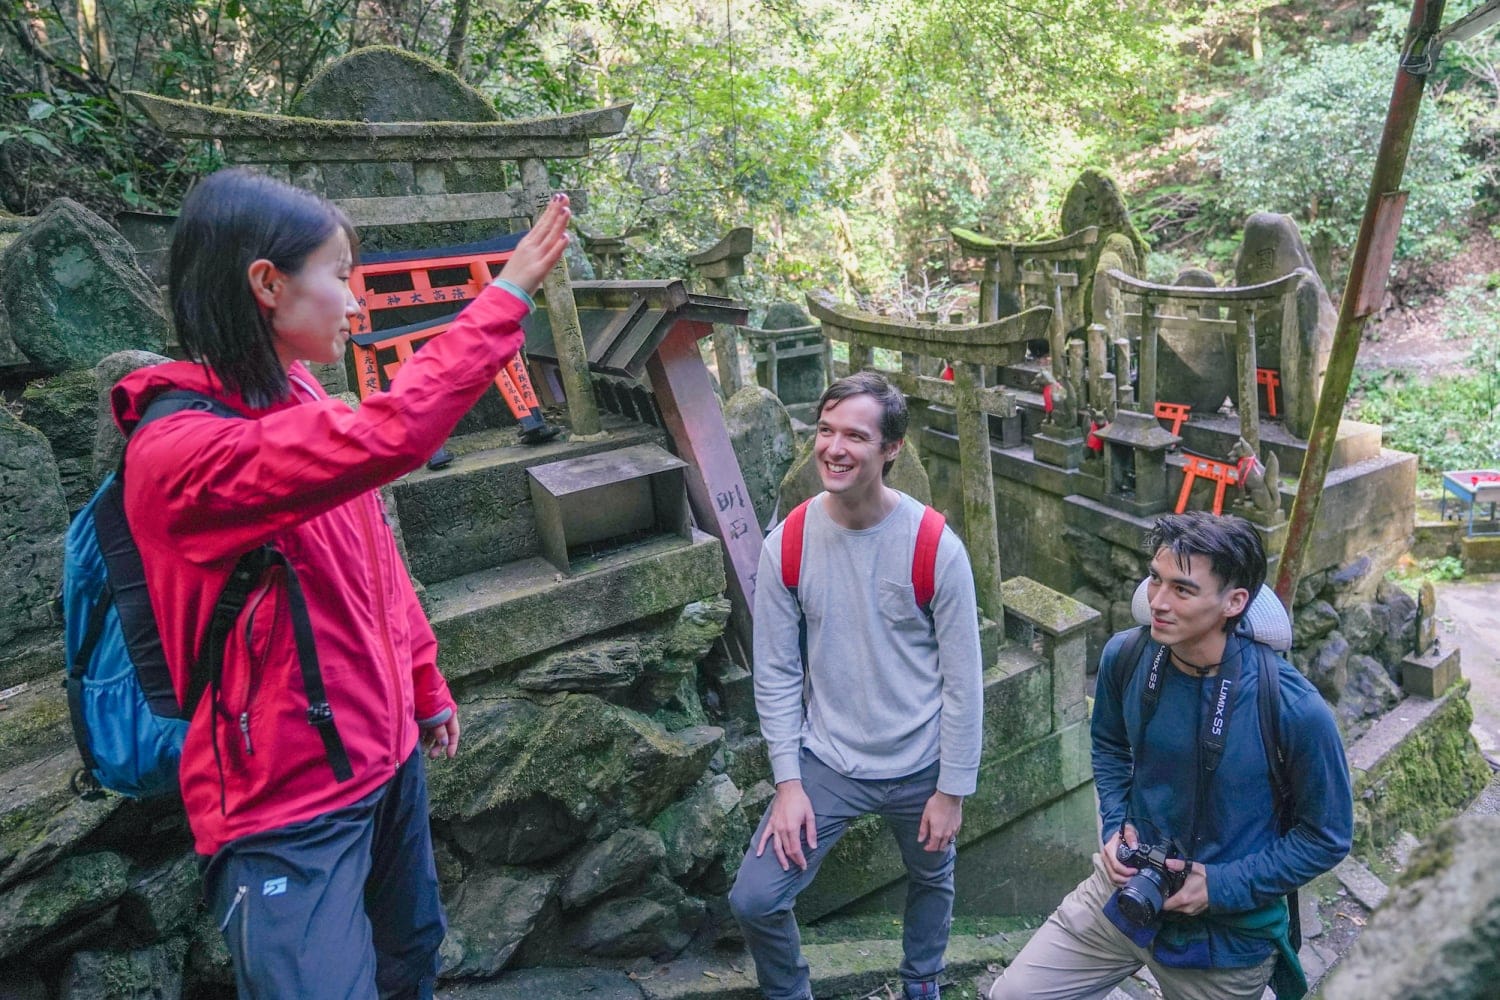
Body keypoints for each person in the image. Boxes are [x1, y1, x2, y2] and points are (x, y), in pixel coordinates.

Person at [110, 167, 571, 999]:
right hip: (285, 806)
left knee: (410, 961)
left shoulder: (291, 388)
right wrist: (502, 299)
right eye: (340, 275)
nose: (356, 304)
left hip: (383, 753)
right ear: (267, 283)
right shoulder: (179, 456)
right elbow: (392, 431)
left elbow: (370, 563)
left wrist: (423, 680)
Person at [989, 511, 1353, 1000]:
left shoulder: (1292, 708)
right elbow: (1111, 746)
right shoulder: (1128, 656)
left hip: (1225, 936)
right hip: (1124, 894)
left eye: (1182, 590)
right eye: (1155, 580)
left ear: (1234, 601)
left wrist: (1219, 886)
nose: (1157, 602)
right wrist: (1115, 825)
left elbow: (1326, 836)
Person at [728, 371, 984, 1000]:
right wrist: (788, 781)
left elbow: (964, 681)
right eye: (825, 430)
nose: (834, 448)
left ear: (891, 449)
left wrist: (952, 789)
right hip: (829, 759)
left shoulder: (934, 547)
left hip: (920, 756)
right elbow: (779, 673)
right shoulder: (786, 544)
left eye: (855, 436)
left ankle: (921, 980)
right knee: (755, 898)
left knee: (932, 874)